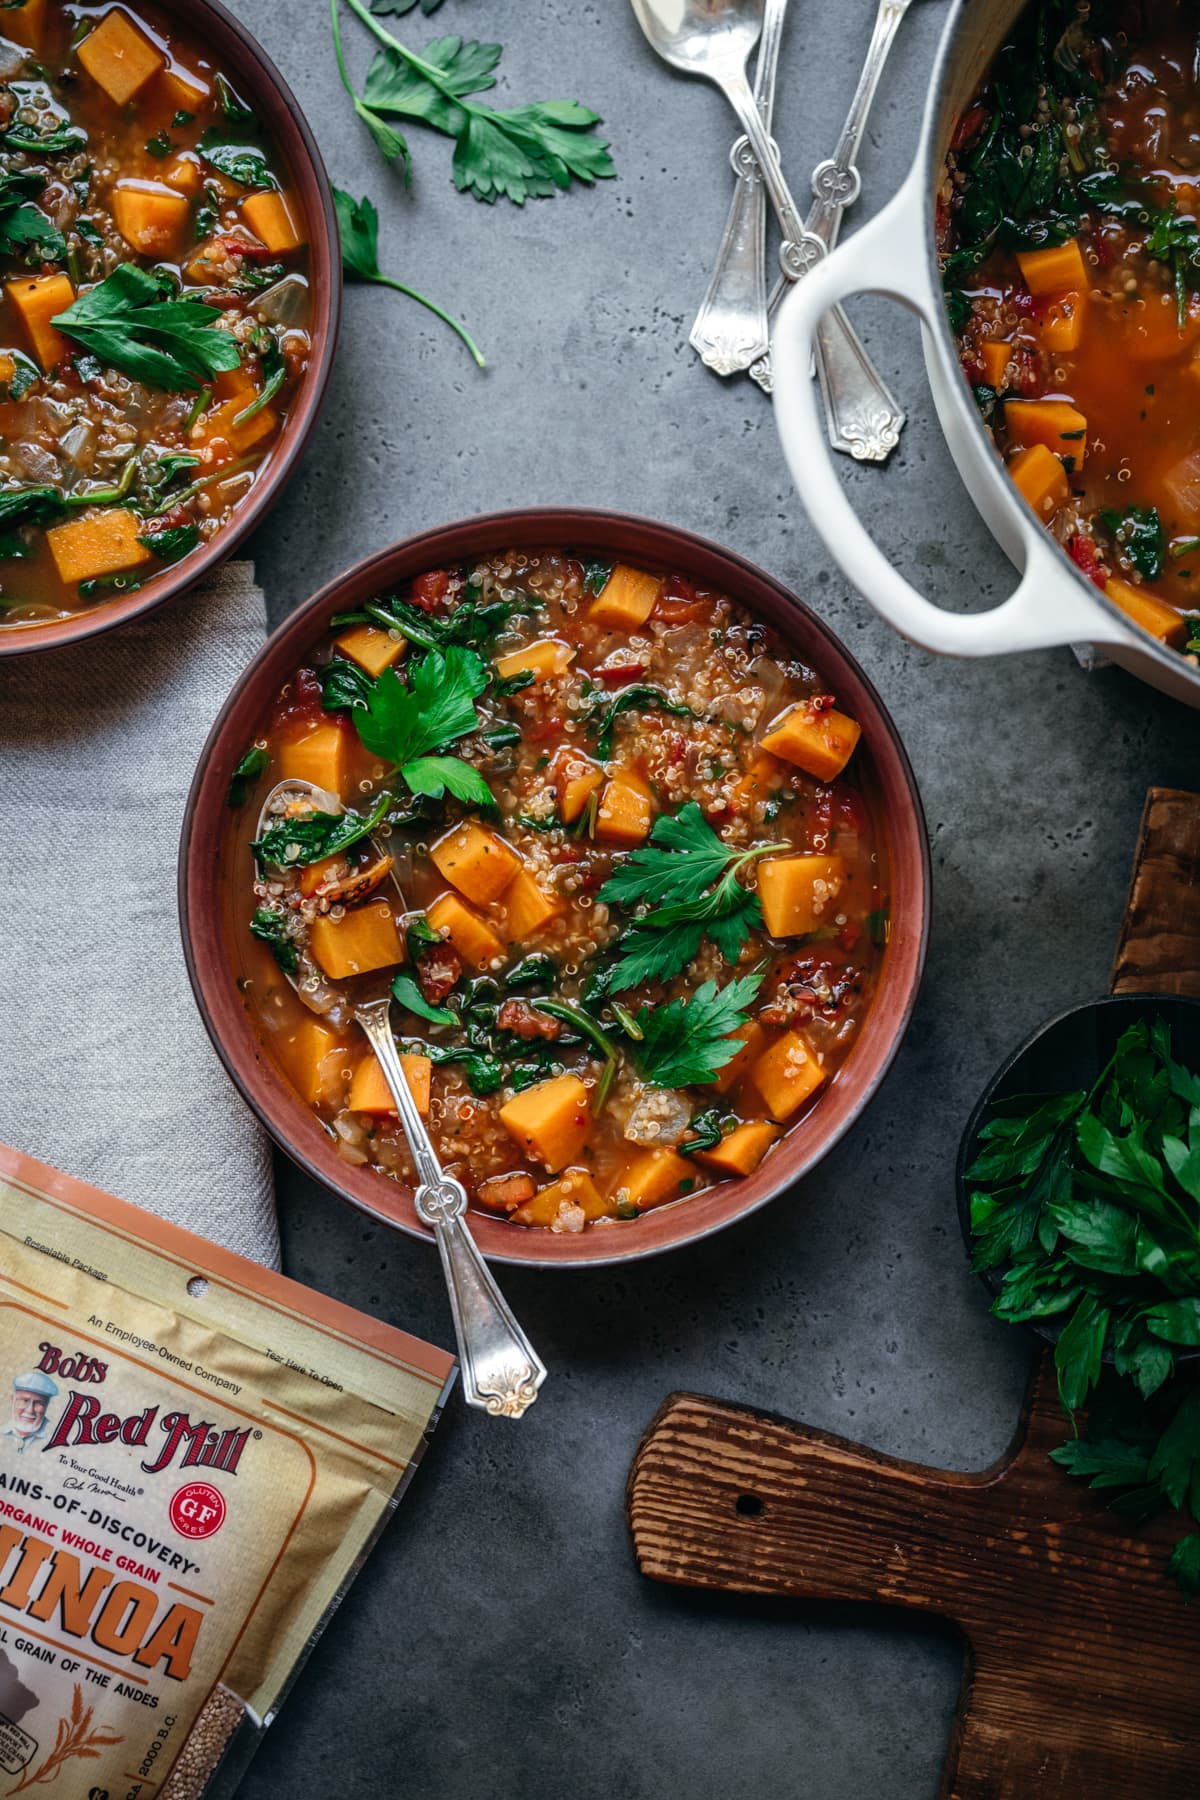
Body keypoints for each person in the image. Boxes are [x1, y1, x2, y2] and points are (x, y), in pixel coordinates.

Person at [0, 1370, 58, 1454]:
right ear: (13, 1400)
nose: (29, 1410)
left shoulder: (53, 1437)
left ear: (46, 1406)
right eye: (24, 1400)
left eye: (39, 1403)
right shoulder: (2, 1430)